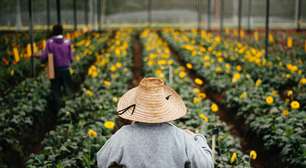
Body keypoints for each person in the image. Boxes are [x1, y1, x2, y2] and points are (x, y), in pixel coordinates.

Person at [97, 77, 214, 168]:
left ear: (136, 108)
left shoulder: (123, 136)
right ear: (166, 109)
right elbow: (206, 165)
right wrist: (198, 138)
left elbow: (101, 161)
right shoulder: (181, 137)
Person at [39, 24, 73, 112]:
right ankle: (69, 108)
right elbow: (71, 58)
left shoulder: (50, 43)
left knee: (56, 90)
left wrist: (41, 59)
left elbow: (44, 56)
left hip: (55, 70)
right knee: (67, 88)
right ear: (62, 31)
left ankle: (59, 111)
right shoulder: (67, 42)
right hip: (66, 69)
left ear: (53, 32)